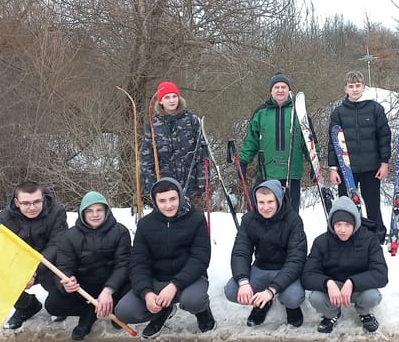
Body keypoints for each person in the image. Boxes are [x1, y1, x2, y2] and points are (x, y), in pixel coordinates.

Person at [114, 177, 215, 339]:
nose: (168, 205)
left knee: (193, 300)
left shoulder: (196, 219)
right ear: (155, 202)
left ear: (180, 197)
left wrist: (174, 285)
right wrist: (146, 293)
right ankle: (161, 312)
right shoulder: (145, 224)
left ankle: (202, 311)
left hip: (189, 279)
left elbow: (200, 258)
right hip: (156, 280)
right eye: (162, 201)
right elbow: (138, 263)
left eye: (173, 199)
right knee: (124, 311)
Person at [44, 191, 131, 340]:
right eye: (89, 211)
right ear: (82, 212)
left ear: (106, 211)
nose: (95, 215)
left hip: (114, 286)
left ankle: (117, 310)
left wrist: (109, 290)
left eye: (99, 210)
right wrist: (66, 282)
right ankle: (89, 312)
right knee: (53, 303)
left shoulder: (120, 231)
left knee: (134, 283)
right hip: (84, 289)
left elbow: (123, 264)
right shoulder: (69, 236)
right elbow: (64, 267)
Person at [224, 180, 307, 327]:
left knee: (293, 298)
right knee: (231, 290)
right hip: (261, 268)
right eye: (261, 202)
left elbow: (296, 260)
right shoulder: (249, 219)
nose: (265, 207)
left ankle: (290, 307)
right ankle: (261, 303)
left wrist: (271, 290)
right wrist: (243, 282)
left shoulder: (293, 220)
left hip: (286, 268)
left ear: (278, 200)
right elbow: (240, 252)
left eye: (270, 202)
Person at [302, 196, 388, 333]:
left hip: (359, 287)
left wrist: (352, 282)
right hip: (333, 289)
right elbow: (307, 275)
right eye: (338, 225)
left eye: (347, 225)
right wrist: (328, 283)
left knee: (372, 296)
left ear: (355, 223)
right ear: (332, 224)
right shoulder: (321, 241)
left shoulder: (369, 240)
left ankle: (365, 313)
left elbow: (381, 274)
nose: (342, 230)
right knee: (315, 297)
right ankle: (332, 314)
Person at [239, 72, 317, 211]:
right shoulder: (261, 113)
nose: (280, 90)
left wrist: (314, 164)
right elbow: (251, 140)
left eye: (283, 87)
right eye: (276, 87)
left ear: (289, 90)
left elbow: (309, 141)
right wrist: (243, 162)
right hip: (267, 173)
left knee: (290, 215)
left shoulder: (299, 112)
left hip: (292, 173)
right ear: (271, 91)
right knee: (259, 211)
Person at [327, 71, 391, 238]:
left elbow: (384, 137)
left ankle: (377, 235)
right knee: (346, 204)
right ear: (345, 89)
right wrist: (333, 168)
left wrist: (384, 162)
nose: (354, 89)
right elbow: (333, 143)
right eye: (351, 86)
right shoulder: (338, 113)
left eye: (357, 86)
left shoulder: (375, 109)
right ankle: (348, 235)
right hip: (347, 169)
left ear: (363, 87)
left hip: (371, 167)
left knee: (373, 204)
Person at [0, 181, 68, 329]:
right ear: (17, 202)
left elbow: (57, 244)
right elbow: (3, 251)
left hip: (51, 263)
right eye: (26, 203)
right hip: (20, 264)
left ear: (43, 198)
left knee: (62, 278)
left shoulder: (57, 212)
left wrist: (33, 271)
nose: (32, 207)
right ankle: (27, 306)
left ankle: (58, 302)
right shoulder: (3, 219)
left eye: (37, 202)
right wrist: (23, 272)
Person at [140, 81, 209, 209]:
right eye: (167, 97)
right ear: (160, 101)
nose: (172, 100)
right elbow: (146, 158)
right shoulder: (153, 124)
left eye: (174, 96)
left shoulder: (192, 120)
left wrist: (202, 182)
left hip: (191, 185)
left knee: (193, 222)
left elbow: (203, 154)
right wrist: (150, 186)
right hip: (165, 187)